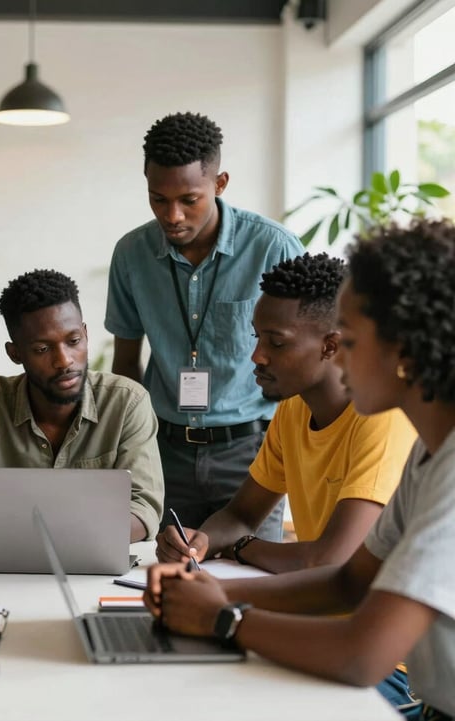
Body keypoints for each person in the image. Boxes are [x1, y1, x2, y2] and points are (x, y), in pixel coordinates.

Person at [145, 218, 455, 721]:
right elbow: (348, 583)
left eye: (350, 343)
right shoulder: (430, 454)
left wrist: (224, 618)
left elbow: (360, 654)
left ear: (403, 348)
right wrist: (216, 591)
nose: (342, 362)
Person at [105, 111, 304, 535]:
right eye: (158, 199)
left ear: (220, 183)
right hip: (163, 454)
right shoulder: (131, 254)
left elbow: (305, 360)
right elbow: (125, 364)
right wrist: (131, 452)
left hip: (252, 455)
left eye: (189, 200)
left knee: (248, 579)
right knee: (158, 581)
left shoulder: (273, 248)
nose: (172, 215)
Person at [156, 253, 417, 574]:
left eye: (276, 343)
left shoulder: (383, 419)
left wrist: (241, 547)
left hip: (369, 616)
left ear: (330, 346)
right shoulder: (293, 408)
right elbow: (241, 516)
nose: (257, 356)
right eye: (257, 336)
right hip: (317, 601)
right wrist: (198, 541)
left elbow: (330, 559)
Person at [0, 269, 164, 545]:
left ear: (85, 334)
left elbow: (143, 507)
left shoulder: (127, 403)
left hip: (95, 571)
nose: (64, 361)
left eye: (73, 341)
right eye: (41, 349)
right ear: (15, 354)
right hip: (3, 569)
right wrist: (29, 539)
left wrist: (49, 539)